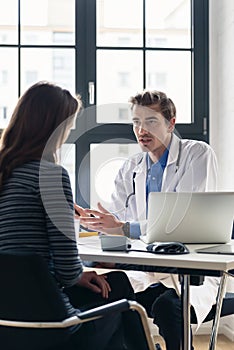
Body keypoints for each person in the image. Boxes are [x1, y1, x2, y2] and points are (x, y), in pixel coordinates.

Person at [0, 82, 151, 350]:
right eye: (68, 127)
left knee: (114, 285)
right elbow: (67, 268)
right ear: (52, 129)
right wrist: (77, 274)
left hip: (8, 324)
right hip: (53, 325)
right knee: (121, 299)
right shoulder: (51, 177)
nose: (68, 134)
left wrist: (78, 276)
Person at [76, 90, 220, 350]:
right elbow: (117, 221)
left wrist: (123, 228)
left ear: (171, 123)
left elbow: (187, 221)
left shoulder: (197, 154)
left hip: (188, 272)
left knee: (166, 307)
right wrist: (96, 223)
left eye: (151, 121)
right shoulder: (130, 167)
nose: (141, 129)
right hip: (145, 271)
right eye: (136, 122)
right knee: (106, 290)